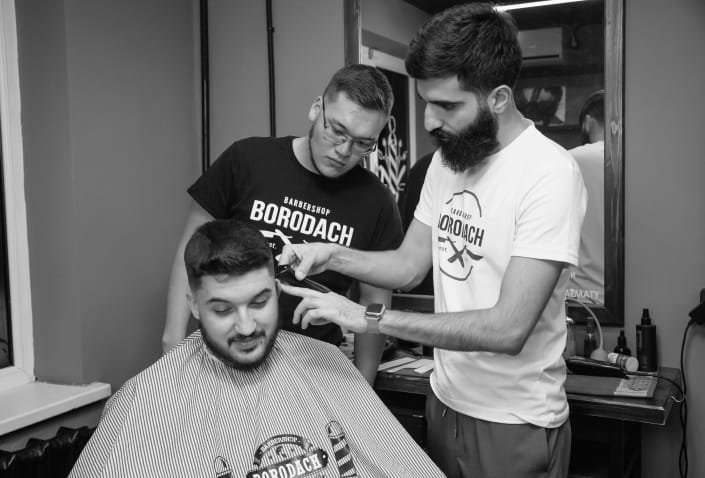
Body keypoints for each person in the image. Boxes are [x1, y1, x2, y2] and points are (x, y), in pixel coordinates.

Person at [278, 4, 587, 478]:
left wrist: (366, 317)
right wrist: (330, 255)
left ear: (498, 98)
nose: (428, 121)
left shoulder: (549, 173)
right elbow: (408, 266)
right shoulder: (449, 161)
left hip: (513, 419)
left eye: (447, 106)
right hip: (444, 401)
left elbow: (507, 329)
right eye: (425, 101)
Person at [70, 220, 444, 478]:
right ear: (195, 306)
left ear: (277, 292)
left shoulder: (326, 363)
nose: (247, 327)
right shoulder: (144, 401)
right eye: (223, 310)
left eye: (259, 302)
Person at [163, 64, 404, 384]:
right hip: (226, 354)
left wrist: (364, 387)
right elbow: (191, 251)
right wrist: (172, 344)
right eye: (337, 131)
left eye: (362, 143)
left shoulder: (377, 203)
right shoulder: (247, 159)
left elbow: (373, 304)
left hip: (312, 367)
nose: (344, 151)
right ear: (316, 108)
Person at [566, 90, 605, 305]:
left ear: (588, 123)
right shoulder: (637, 160)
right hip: (626, 293)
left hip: (578, 294)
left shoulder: (568, 160)